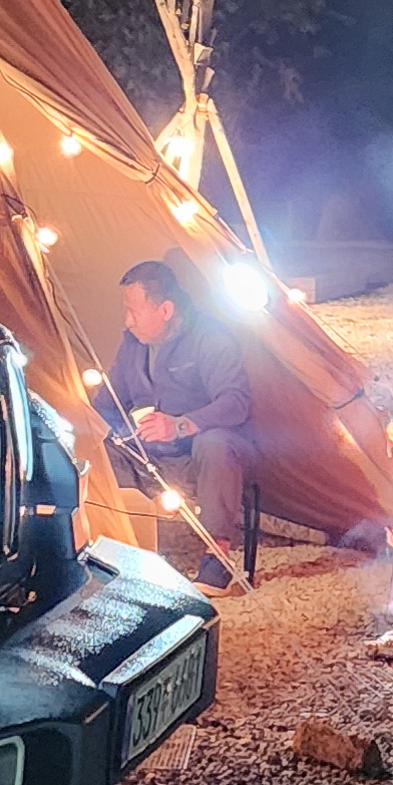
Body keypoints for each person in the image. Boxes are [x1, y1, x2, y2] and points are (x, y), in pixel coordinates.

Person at [109, 253, 257, 594]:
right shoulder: (132, 344)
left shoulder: (210, 340)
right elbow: (109, 400)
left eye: (134, 311)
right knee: (103, 446)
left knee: (215, 443)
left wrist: (180, 425)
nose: (128, 320)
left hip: (204, 455)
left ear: (165, 310)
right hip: (152, 454)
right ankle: (127, 546)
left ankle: (216, 557)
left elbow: (236, 402)